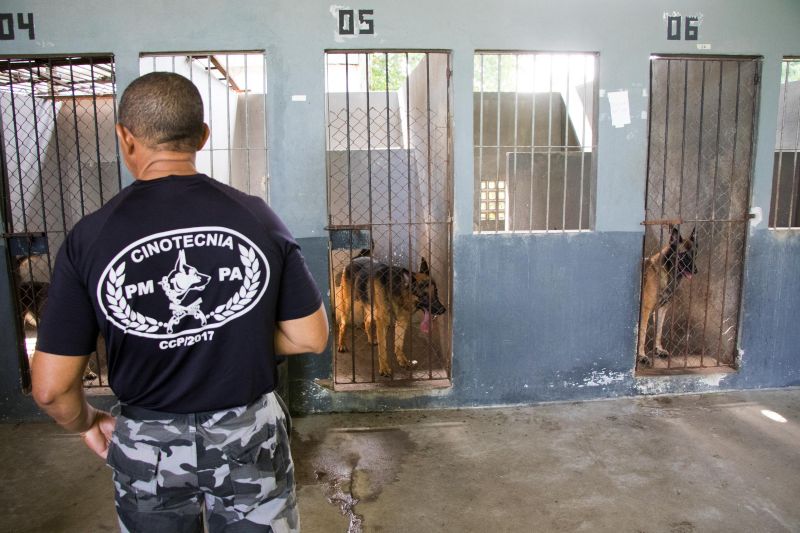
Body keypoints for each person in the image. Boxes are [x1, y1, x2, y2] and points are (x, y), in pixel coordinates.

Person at [30, 72, 328, 533]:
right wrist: (232, 333)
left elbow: (50, 388)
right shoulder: (256, 215)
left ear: (125, 138)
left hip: (148, 446)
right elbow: (310, 336)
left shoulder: (90, 236)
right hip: (248, 436)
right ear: (203, 137)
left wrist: (87, 422)